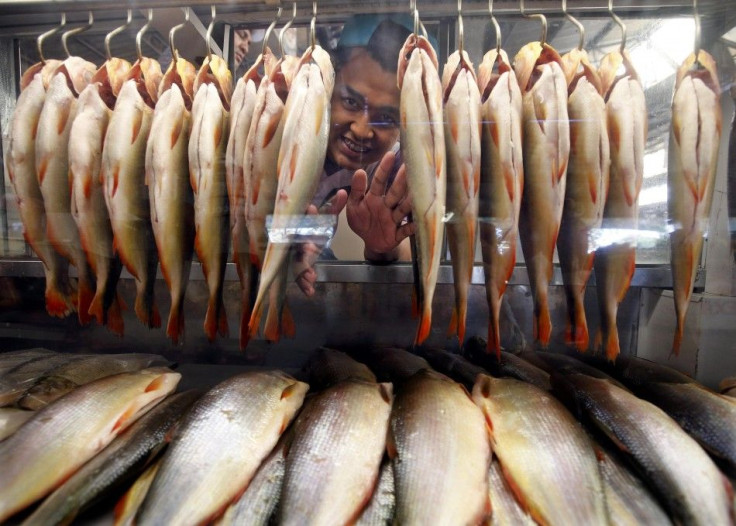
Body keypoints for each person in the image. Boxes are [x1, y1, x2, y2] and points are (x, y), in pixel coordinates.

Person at [294, 15, 422, 296]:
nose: (363, 130)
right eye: (351, 102)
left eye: (386, 118)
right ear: (328, 90)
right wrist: (281, 243)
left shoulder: (395, 169)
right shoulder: (288, 139)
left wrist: (380, 249)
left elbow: (409, 256)